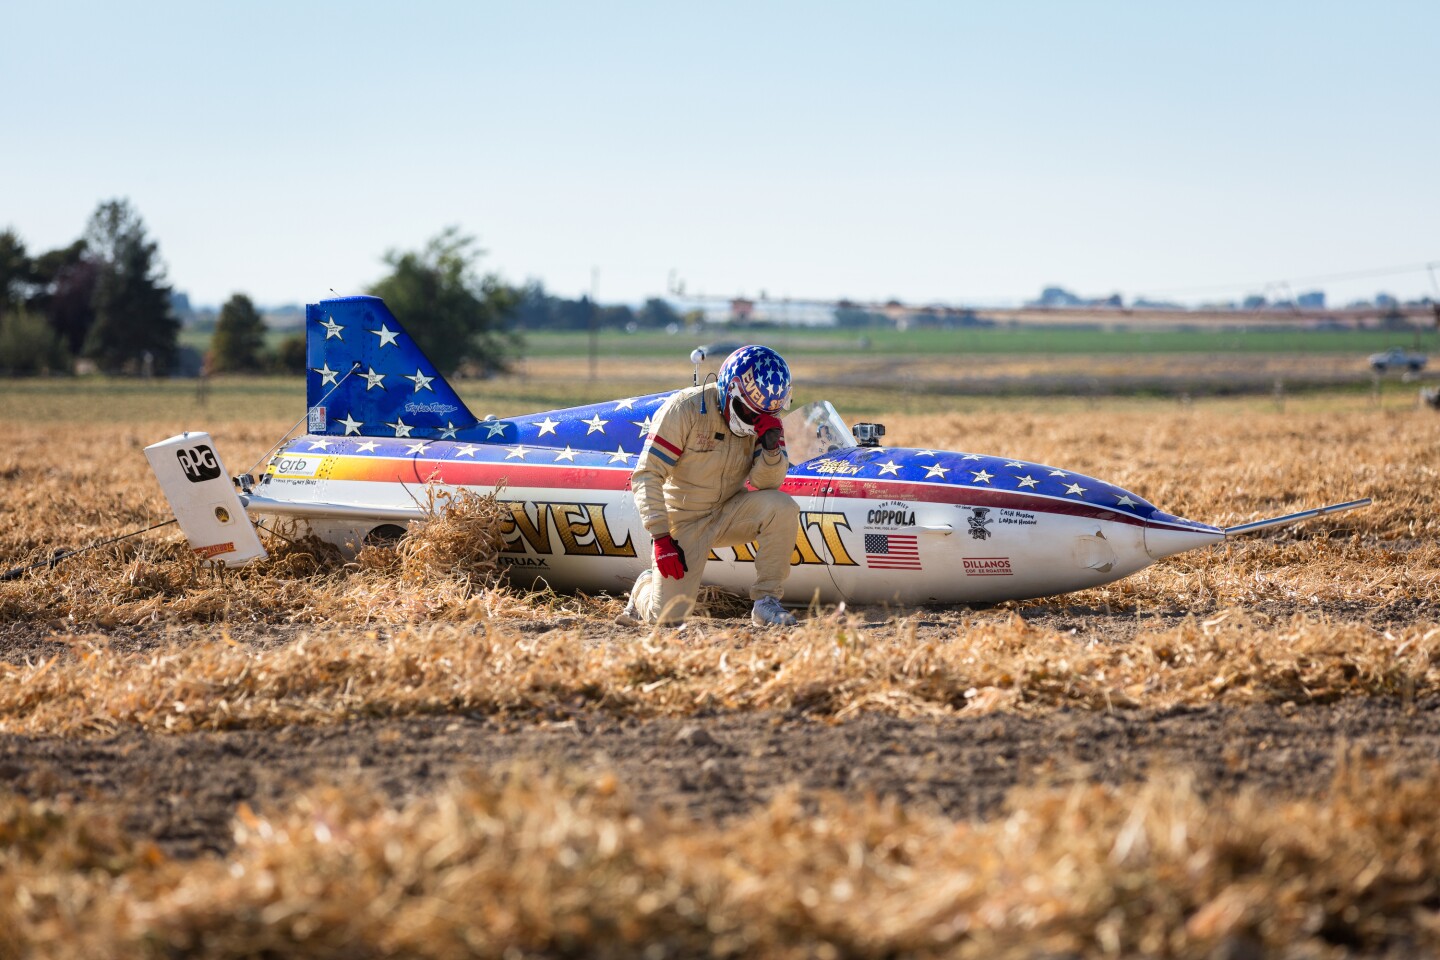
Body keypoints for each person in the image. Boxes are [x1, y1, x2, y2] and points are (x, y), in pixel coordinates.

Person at [617, 345, 800, 627]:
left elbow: (766, 484)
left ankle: (766, 602)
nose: (754, 423)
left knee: (783, 507)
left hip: (730, 510)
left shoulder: (766, 421)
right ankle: (644, 586)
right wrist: (662, 538)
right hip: (684, 520)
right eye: (748, 413)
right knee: (666, 617)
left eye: (762, 418)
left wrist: (772, 449)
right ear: (729, 390)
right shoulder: (683, 408)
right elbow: (646, 474)